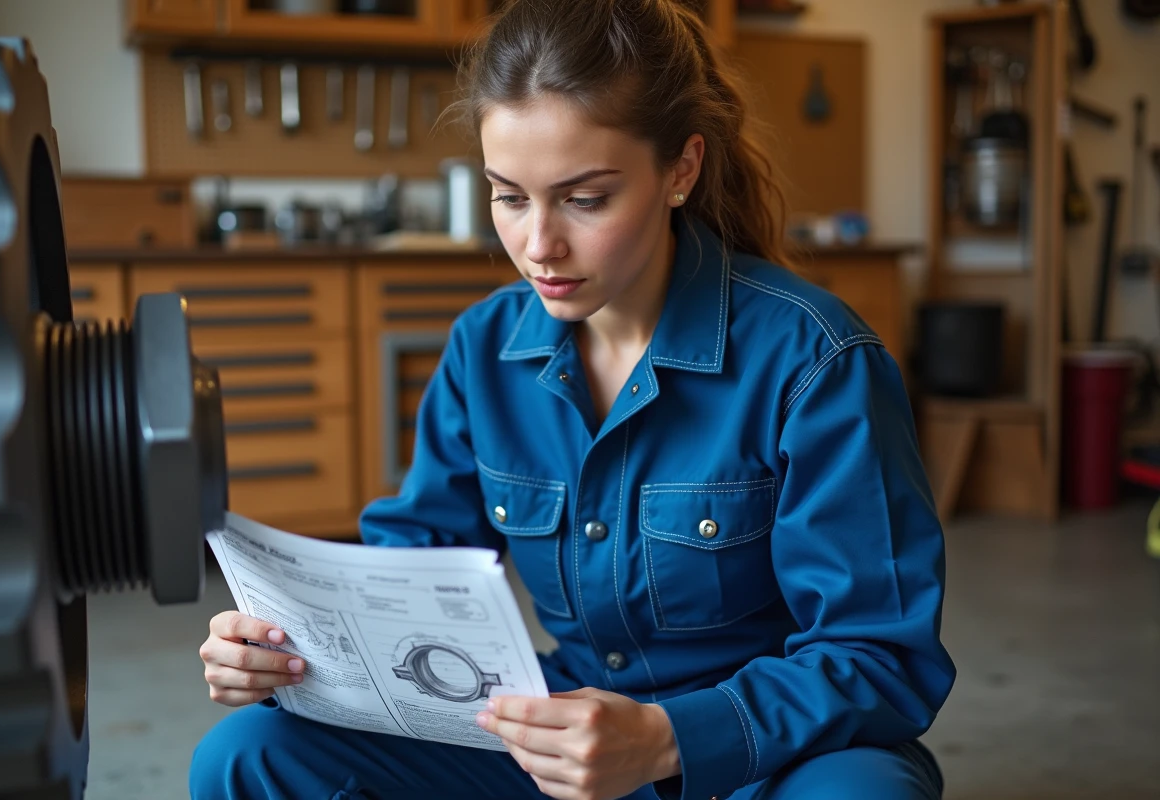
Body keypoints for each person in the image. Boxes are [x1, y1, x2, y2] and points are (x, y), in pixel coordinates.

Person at [190, 1, 957, 798]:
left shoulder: (815, 360)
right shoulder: (482, 351)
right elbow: (406, 578)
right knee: (247, 753)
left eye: (584, 199)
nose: (537, 245)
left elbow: (882, 657)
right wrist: (282, 650)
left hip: (765, 755)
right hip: (558, 743)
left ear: (681, 170)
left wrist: (669, 740)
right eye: (509, 197)